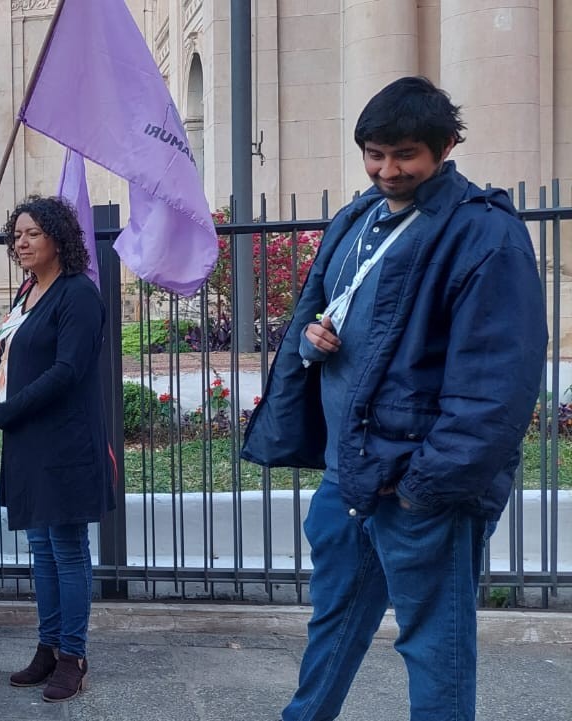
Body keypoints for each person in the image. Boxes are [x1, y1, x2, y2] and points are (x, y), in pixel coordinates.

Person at [242, 77, 545, 721]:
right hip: (351, 478)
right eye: (374, 154)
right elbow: (317, 314)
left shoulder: (486, 234)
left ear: (447, 146)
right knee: (333, 626)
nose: (387, 170)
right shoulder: (357, 218)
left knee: (434, 648)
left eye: (404, 154)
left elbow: (497, 390)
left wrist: (423, 487)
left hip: (420, 488)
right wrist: (313, 341)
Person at [0, 196, 110, 703]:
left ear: (58, 239)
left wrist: (2, 413)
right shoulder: (26, 293)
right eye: (17, 235)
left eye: (32, 234)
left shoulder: (77, 295)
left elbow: (67, 372)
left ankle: (74, 656)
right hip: (27, 443)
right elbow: (2, 360)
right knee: (42, 552)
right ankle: (48, 648)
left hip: (64, 442)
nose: (21, 243)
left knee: (67, 550)